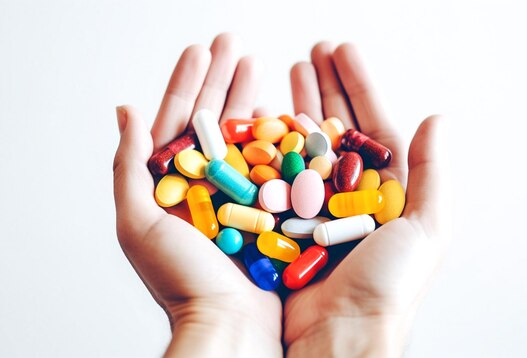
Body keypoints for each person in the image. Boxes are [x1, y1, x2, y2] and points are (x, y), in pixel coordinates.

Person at [113, 33, 450, 357]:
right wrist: (361, 323)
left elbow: (307, 204)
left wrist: (214, 315)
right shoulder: (243, 182)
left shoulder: (322, 184)